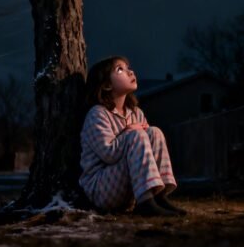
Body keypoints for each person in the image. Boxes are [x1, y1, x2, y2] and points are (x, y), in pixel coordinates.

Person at [79, 56, 187, 217]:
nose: (130, 72)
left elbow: (146, 151)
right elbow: (109, 154)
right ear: (107, 85)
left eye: (128, 67)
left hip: (130, 187)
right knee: (137, 134)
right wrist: (129, 131)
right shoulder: (97, 114)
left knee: (154, 132)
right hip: (102, 188)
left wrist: (134, 132)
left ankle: (158, 197)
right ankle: (145, 204)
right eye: (120, 69)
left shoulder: (136, 113)